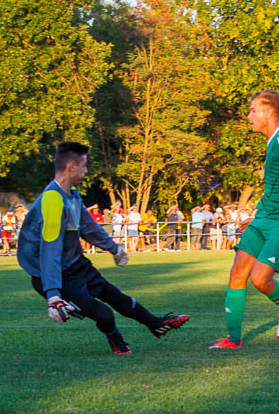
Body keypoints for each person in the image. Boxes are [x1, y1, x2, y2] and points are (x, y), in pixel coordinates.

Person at [17, 141, 190, 355]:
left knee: (116, 297)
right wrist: (53, 295)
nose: (86, 171)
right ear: (71, 166)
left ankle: (157, 325)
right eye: (84, 166)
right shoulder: (53, 199)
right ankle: (116, 340)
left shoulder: (73, 195)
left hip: (74, 264)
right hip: (52, 274)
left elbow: (90, 228)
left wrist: (114, 249)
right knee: (104, 314)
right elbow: (50, 249)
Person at [210, 90, 279, 350]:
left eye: (253, 110)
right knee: (237, 273)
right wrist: (256, 216)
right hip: (265, 218)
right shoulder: (271, 143)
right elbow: (278, 187)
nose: (249, 116)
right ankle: (233, 339)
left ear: (268, 112)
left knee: (259, 279)